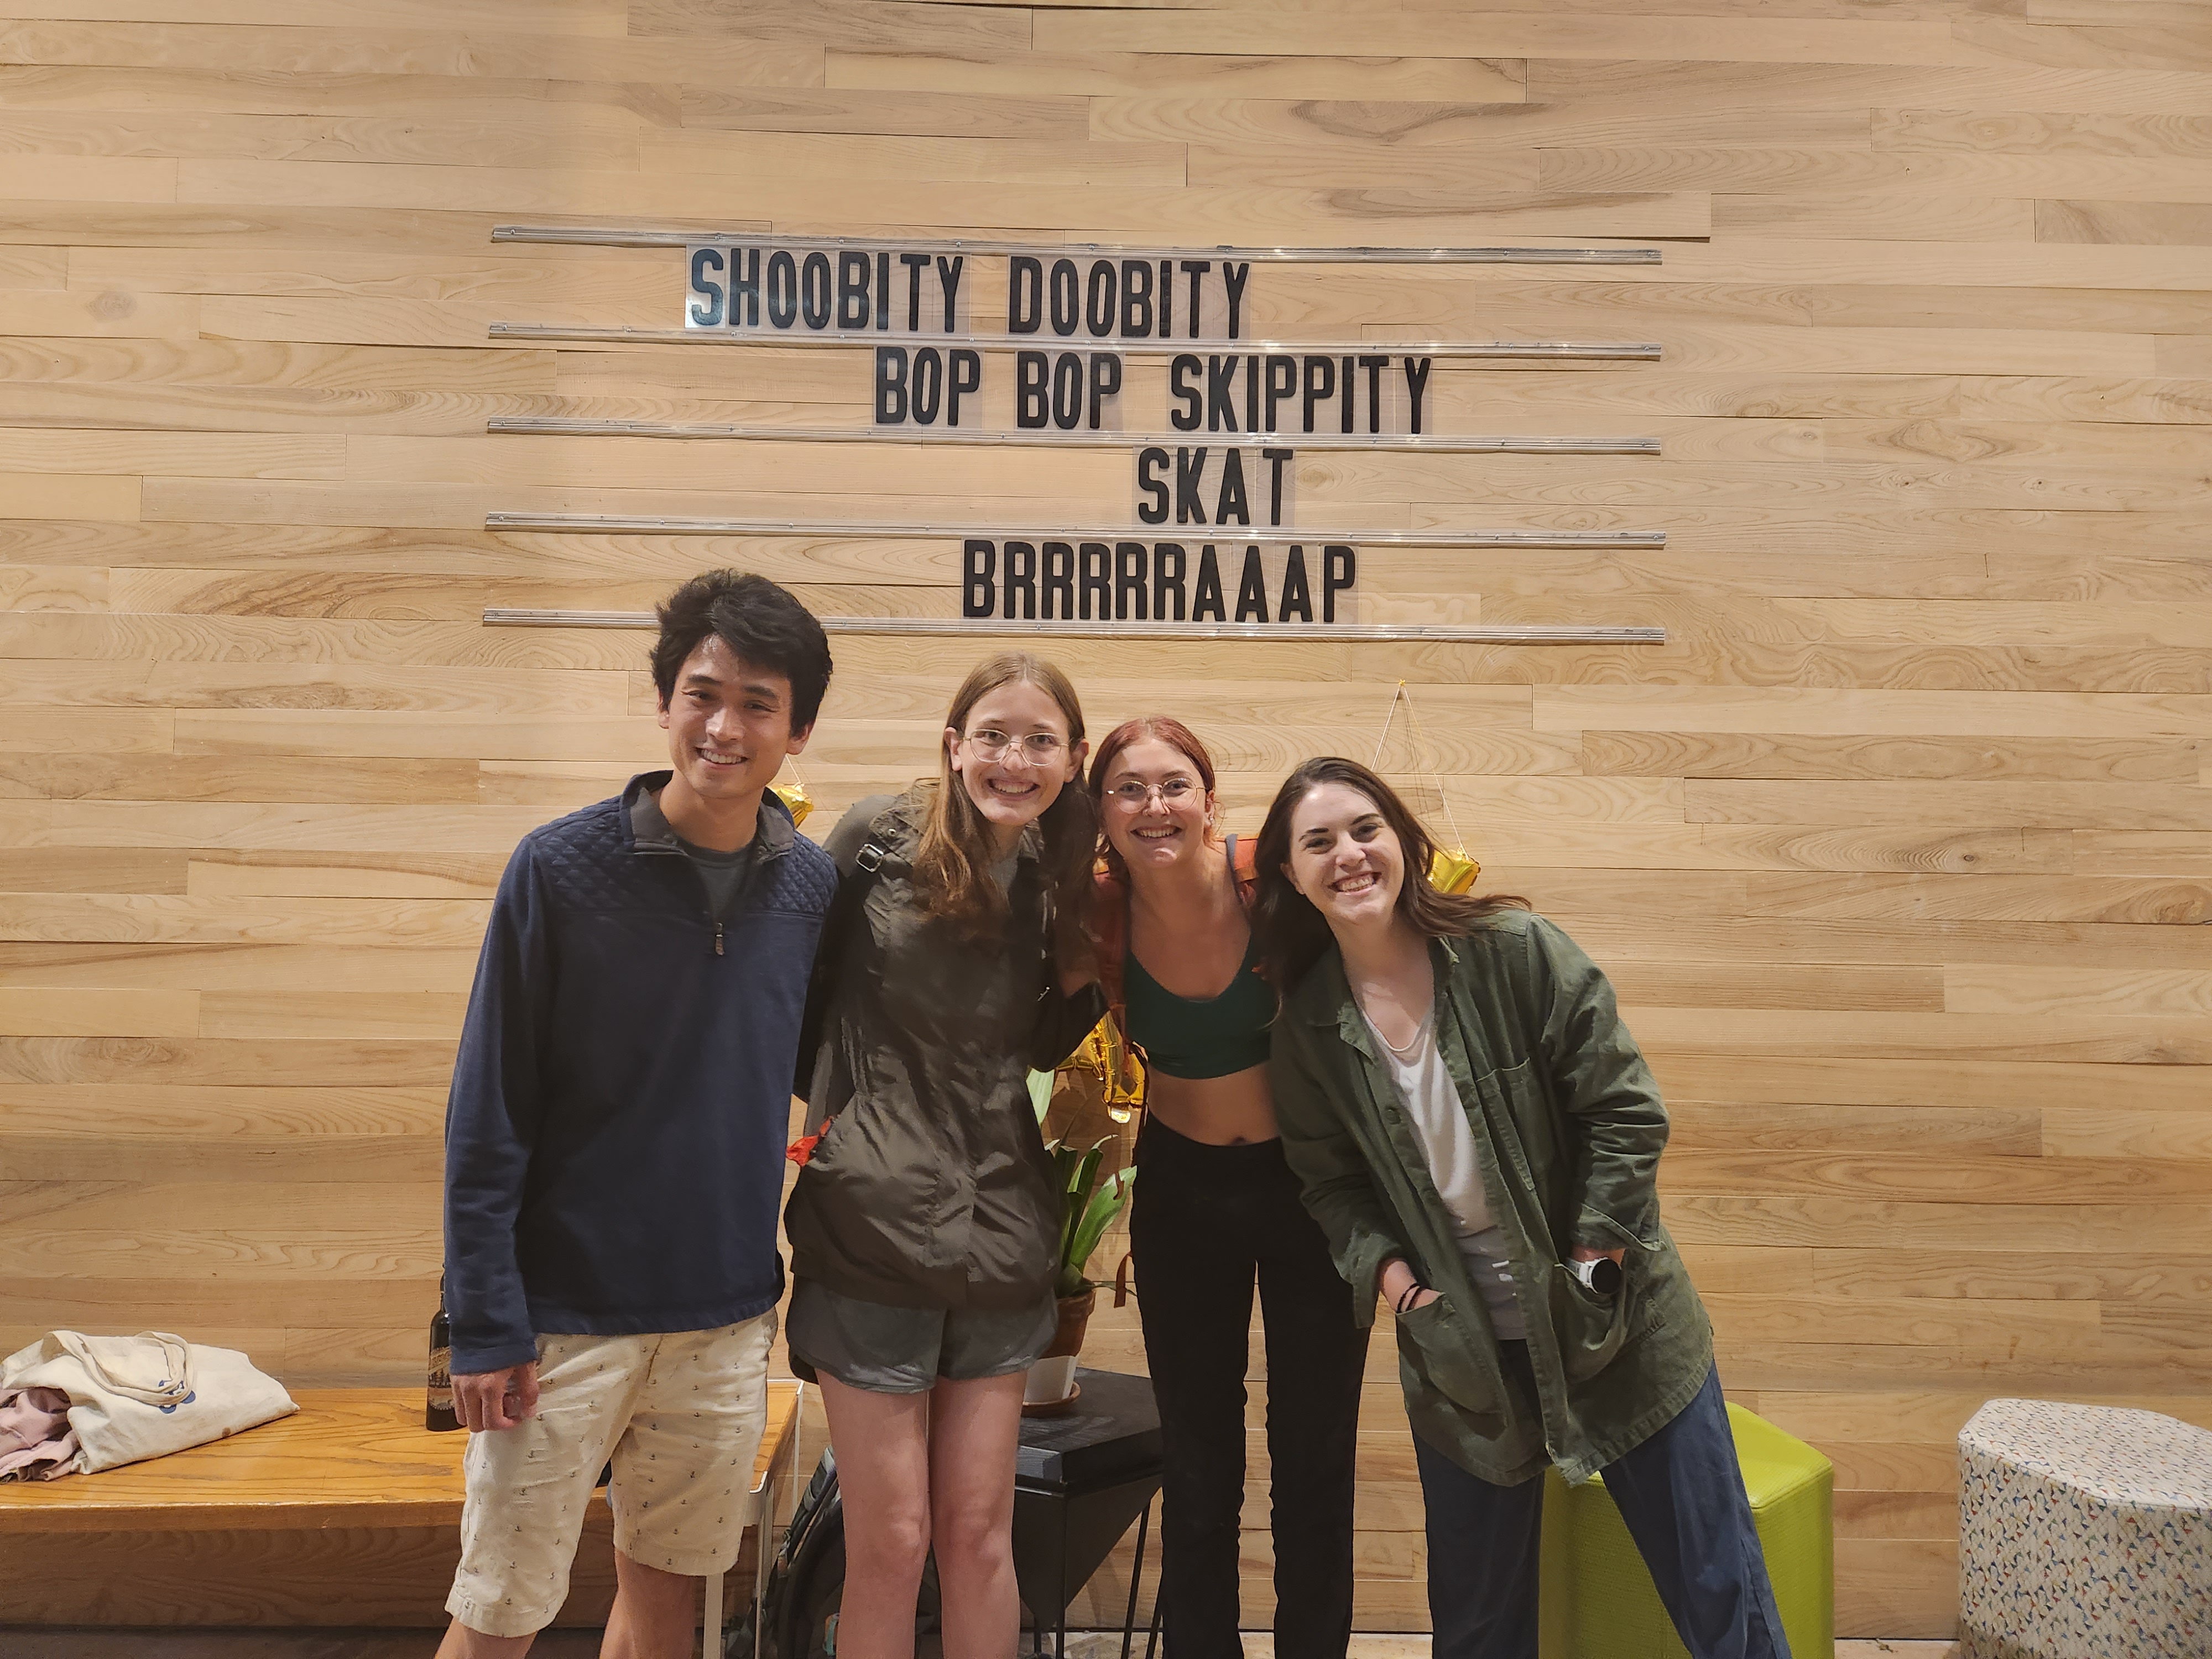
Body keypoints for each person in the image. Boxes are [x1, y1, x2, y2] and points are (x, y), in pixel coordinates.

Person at [1255, 757, 1792, 1659]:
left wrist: (1593, 1261)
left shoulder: (1515, 951)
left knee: (1719, 1593)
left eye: (1365, 829)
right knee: (1477, 1629)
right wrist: (1402, 1290)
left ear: (1403, 841)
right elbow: (1331, 1186)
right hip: (1461, 1359)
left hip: (1617, 1328)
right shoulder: (1306, 1028)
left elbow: (1624, 1111)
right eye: (1319, 842)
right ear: (1290, 873)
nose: (1348, 855)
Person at [437, 570, 837, 1657]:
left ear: (797, 731)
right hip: (558, 1321)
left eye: (758, 704)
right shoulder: (558, 870)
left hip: (724, 1319)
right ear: (664, 703)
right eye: (702, 694)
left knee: (668, 1608)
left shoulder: (810, 890)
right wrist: (484, 1323)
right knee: (499, 1613)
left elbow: (825, 1071)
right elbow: (486, 1114)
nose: (724, 727)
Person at [783, 652, 1105, 1659]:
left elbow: (1043, 1045)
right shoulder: (877, 836)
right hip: (870, 1228)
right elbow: (792, 995)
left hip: (1003, 1230)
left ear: (1073, 758)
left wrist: (1091, 961)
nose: (1015, 759)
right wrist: (848, 1130)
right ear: (955, 745)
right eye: (995, 735)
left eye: (1041, 740)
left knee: (979, 1537)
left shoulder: (1062, 878)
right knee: (892, 1541)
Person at [1086, 718, 1368, 1659]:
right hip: (1183, 1193)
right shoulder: (1096, 913)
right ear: (1102, 812)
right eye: (1129, 789)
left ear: (1209, 799)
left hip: (1307, 1189)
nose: (1154, 806)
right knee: (1198, 1460)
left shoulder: (1272, 882)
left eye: (1174, 785)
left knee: (1314, 1457)